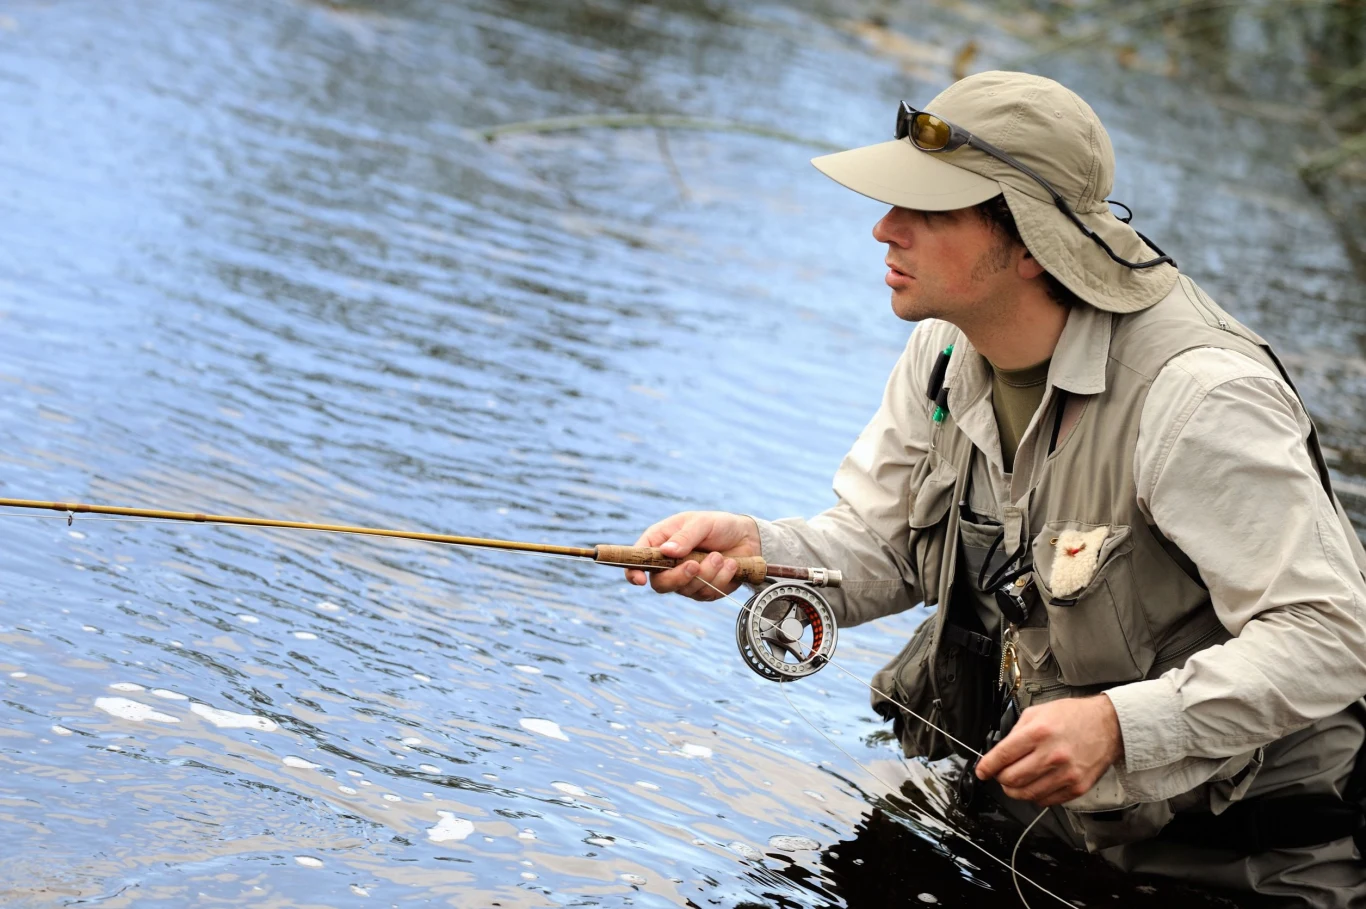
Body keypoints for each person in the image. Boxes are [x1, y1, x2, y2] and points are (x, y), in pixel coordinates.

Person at [626, 71, 1366, 906]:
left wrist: (1120, 727)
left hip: (1243, 869)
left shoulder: (1199, 397)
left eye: (927, 211)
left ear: (1029, 242)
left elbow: (1332, 634)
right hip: (1040, 834)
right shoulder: (947, 345)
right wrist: (763, 551)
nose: (883, 228)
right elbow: (884, 546)